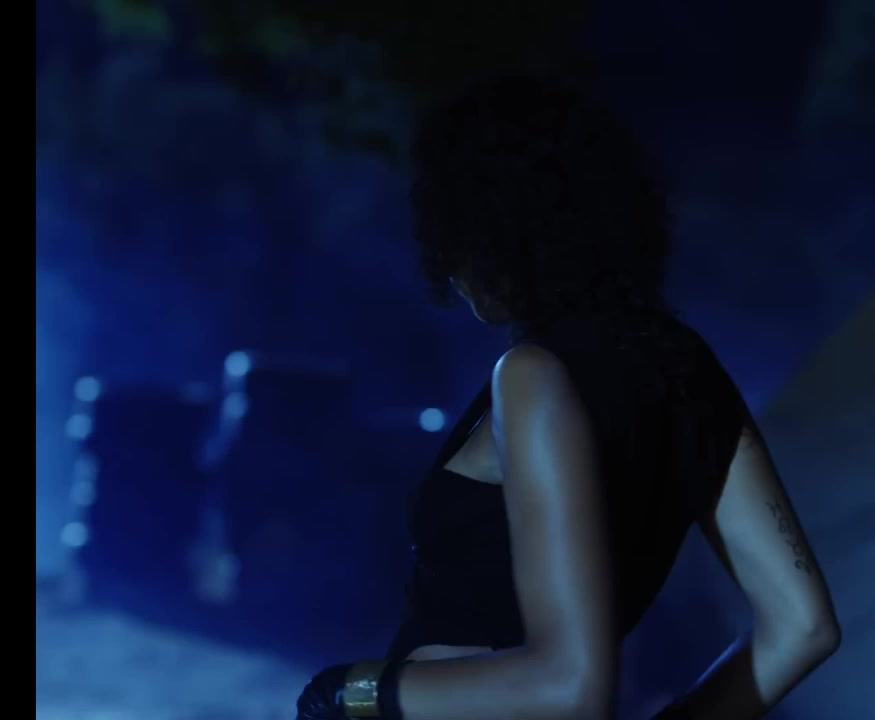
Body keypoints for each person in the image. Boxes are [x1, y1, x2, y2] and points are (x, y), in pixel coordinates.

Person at [296, 76, 840, 720]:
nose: (446, 263)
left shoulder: (534, 376)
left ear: (502, 232)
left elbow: (570, 685)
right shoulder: (687, 370)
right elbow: (802, 628)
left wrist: (352, 690)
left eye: (455, 228)